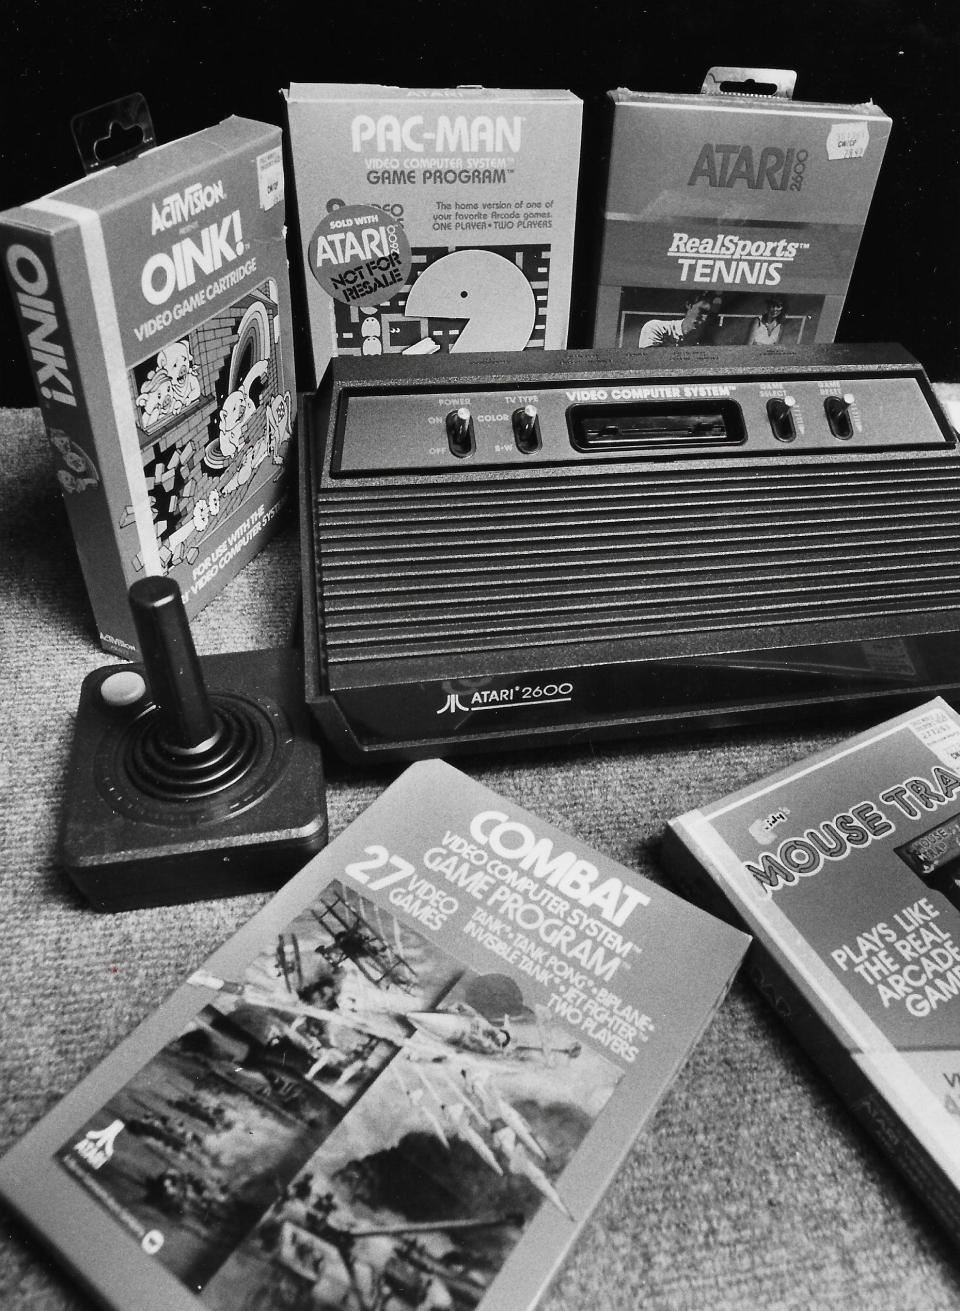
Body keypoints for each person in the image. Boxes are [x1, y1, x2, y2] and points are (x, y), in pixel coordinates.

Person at [637, 293, 714, 348]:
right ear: (689, 305)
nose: (705, 318)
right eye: (702, 311)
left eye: (710, 314)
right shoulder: (656, 328)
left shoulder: (706, 343)